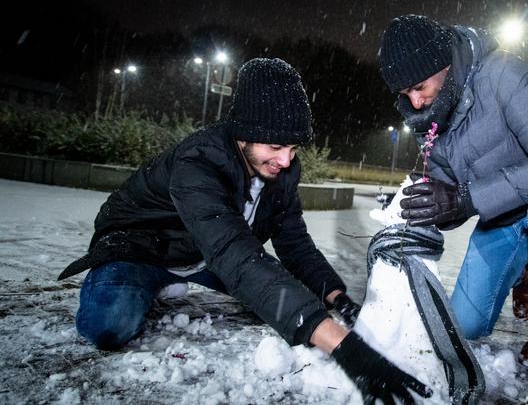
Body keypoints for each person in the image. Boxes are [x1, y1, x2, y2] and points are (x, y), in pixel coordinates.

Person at [59, 58, 430, 403]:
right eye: (276, 146)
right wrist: (348, 351)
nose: (286, 159)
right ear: (244, 135)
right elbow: (234, 255)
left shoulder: (281, 169)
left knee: (287, 303)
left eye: (294, 148)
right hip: (141, 248)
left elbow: (294, 242)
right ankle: (144, 282)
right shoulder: (198, 163)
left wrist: (338, 300)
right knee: (108, 325)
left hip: (204, 256)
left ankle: (180, 280)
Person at [378, 15, 528, 368]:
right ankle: (525, 266)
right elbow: (448, 193)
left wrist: (466, 198)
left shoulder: (504, 75)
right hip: (507, 215)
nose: (417, 102)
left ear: (445, 65)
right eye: (405, 93)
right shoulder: (434, 119)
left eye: (419, 87)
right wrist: (423, 207)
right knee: (464, 326)